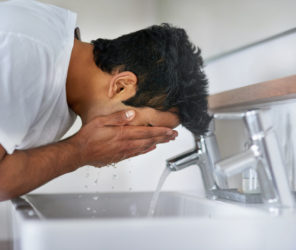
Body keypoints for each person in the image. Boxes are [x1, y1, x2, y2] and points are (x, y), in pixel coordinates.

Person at [0, 0, 210, 201]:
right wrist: (81, 151)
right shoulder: (30, 53)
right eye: (147, 127)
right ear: (121, 86)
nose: (137, 143)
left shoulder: (58, 67)